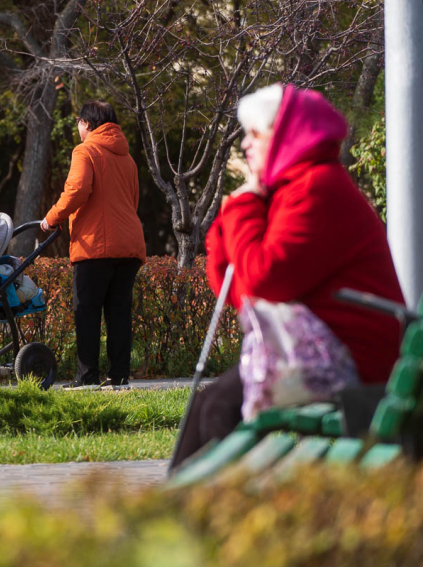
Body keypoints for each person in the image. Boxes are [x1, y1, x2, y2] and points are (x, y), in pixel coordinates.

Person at [170, 84, 406, 467]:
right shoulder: (291, 191)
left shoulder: (316, 188)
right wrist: (240, 212)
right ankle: (183, 515)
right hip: (325, 349)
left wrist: (244, 205)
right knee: (210, 403)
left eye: (255, 134)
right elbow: (236, 289)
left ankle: (204, 519)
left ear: (283, 136)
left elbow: (264, 280)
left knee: (218, 406)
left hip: (352, 358)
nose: (245, 144)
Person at [41, 100, 147, 390]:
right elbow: (132, 200)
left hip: (95, 245)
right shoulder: (127, 158)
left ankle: (87, 377)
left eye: (78, 123)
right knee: (119, 312)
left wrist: (52, 218)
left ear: (86, 124)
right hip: (129, 244)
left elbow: (77, 190)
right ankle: (119, 377)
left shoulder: (85, 150)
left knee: (86, 310)